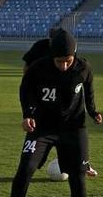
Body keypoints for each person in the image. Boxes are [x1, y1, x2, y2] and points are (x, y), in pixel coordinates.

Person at [4, 29, 102, 197]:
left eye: (68, 61)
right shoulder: (39, 68)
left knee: (78, 178)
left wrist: (94, 111)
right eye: (59, 61)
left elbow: (89, 90)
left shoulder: (83, 68)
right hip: (42, 127)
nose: (64, 66)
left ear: (74, 55)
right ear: (51, 56)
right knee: (26, 168)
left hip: (74, 129)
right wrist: (27, 114)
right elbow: (25, 89)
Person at [23, 27, 98, 178]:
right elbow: (27, 66)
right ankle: (34, 161)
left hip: (64, 96)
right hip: (44, 97)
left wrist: (93, 110)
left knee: (69, 129)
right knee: (45, 131)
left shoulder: (70, 55)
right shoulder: (40, 47)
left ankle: (83, 163)